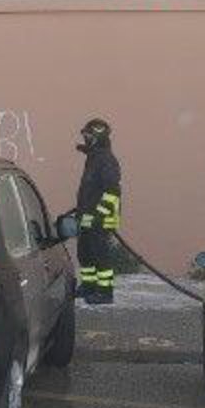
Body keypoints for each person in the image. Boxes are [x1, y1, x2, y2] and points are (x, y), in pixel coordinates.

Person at [75, 118, 122, 305]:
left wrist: (99, 214)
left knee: (100, 256)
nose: (85, 139)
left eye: (88, 136)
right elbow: (91, 190)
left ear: (96, 137)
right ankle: (89, 286)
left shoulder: (106, 160)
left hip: (101, 220)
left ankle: (104, 292)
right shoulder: (94, 158)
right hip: (88, 218)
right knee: (85, 253)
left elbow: (112, 191)